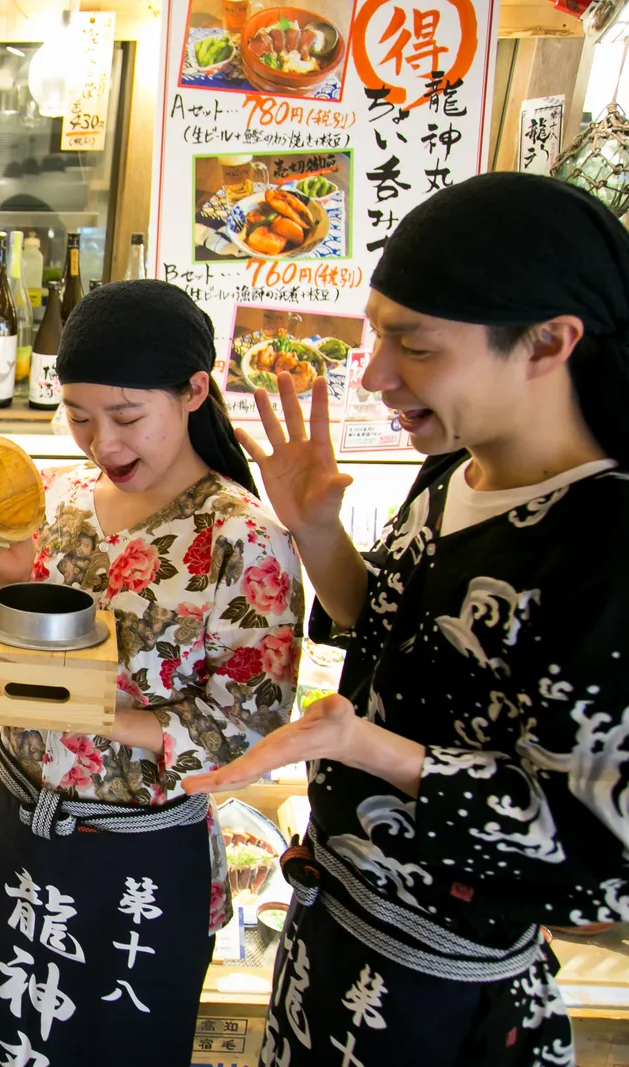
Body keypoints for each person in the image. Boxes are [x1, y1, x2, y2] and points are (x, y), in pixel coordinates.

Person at [185, 172, 629, 1065]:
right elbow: (385, 632)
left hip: (445, 989)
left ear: (549, 342)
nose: (376, 374)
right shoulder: (455, 465)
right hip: (332, 929)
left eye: (415, 346)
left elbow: (599, 848)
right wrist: (316, 530)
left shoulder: (606, 542)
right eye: (379, 332)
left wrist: (368, 748)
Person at [0, 280, 303, 1067]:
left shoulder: (243, 539)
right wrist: (7, 576)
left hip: (135, 855)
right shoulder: (61, 499)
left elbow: (249, 729)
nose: (100, 442)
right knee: (5, 1035)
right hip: (16, 825)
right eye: (79, 417)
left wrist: (94, 713)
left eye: (125, 416)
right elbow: (14, 642)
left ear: (194, 391)